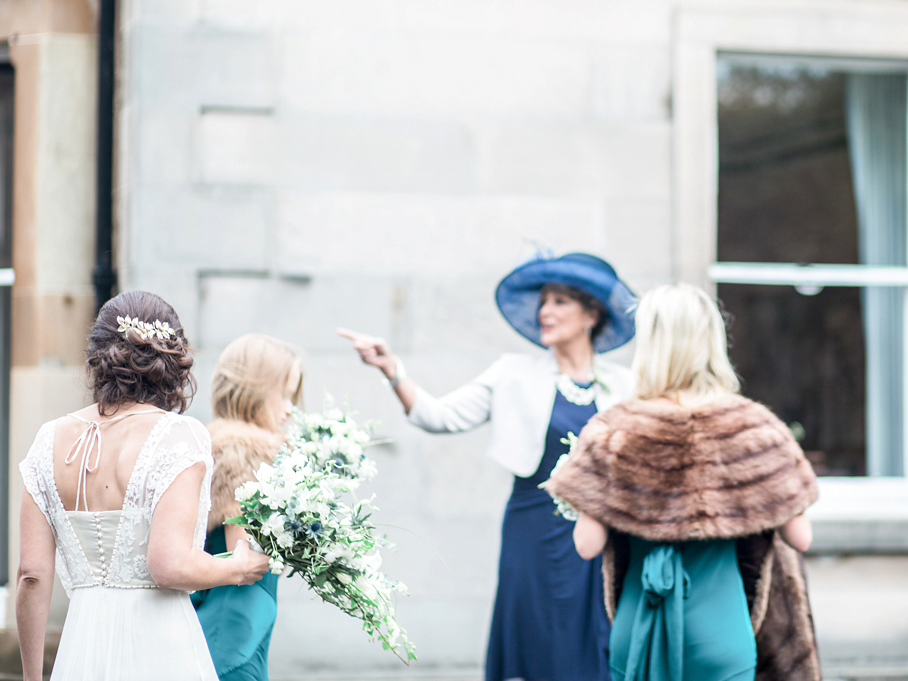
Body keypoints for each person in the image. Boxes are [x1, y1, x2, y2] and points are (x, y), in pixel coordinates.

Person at [339, 252, 637, 681]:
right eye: (543, 301)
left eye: (559, 302)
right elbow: (438, 416)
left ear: (592, 313)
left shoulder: (626, 385)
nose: (545, 311)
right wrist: (392, 370)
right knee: (535, 640)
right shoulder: (513, 372)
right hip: (532, 530)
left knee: (596, 639)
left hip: (602, 537)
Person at [546, 283, 821, 681]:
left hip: (639, 630)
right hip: (721, 633)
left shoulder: (612, 430)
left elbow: (587, 547)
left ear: (651, 346)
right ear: (712, 341)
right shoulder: (755, 429)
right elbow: (801, 539)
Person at [16, 291, 270, 681]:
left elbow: (32, 574)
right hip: (159, 646)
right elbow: (169, 565)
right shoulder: (179, 436)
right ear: (173, 362)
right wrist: (237, 569)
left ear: (98, 356)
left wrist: (33, 677)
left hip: (81, 647)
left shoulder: (49, 440)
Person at [191, 334, 304, 681]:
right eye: (283, 395)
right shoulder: (243, 453)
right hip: (236, 623)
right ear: (253, 391)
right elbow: (244, 551)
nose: (289, 409)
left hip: (240, 617)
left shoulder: (218, 445)